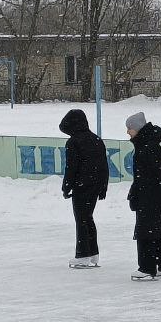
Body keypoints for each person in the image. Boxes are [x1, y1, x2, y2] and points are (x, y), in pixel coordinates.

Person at [125, 111, 161, 280]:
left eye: (129, 128)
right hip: (158, 196)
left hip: (151, 198)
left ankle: (147, 268)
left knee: (146, 231)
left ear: (138, 129)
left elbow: (146, 177)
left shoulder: (146, 148)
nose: (128, 132)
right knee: (158, 231)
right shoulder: (149, 144)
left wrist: (138, 196)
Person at [59, 109, 109, 269]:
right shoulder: (96, 139)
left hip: (82, 185)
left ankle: (83, 255)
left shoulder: (74, 142)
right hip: (94, 185)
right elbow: (104, 166)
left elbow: (71, 167)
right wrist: (103, 187)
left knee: (81, 219)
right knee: (88, 217)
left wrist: (67, 186)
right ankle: (93, 253)